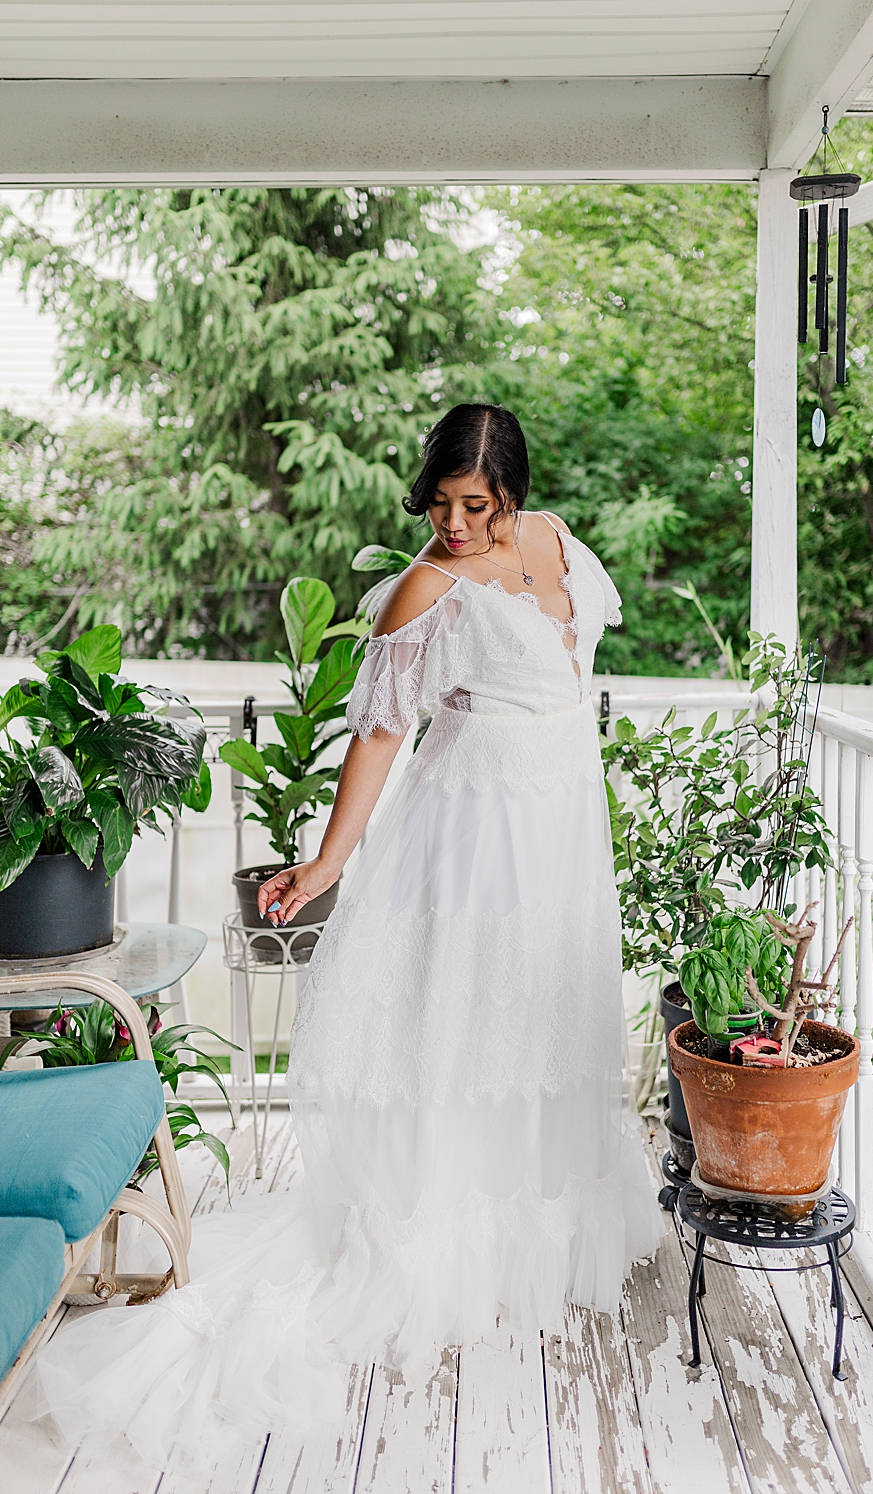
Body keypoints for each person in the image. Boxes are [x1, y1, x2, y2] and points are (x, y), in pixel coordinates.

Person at [20, 403, 666, 1463]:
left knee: (543, 1023)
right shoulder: (423, 589)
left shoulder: (552, 541)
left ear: (513, 495)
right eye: (439, 504)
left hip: (556, 828)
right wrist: (325, 862)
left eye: (476, 506)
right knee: (464, 1028)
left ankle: (527, 1227)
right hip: (468, 835)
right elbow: (378, 733)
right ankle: (442, 1232)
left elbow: (571, 674)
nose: (454, 525)